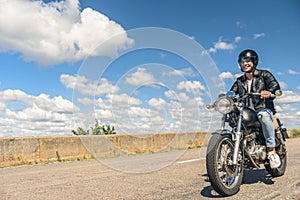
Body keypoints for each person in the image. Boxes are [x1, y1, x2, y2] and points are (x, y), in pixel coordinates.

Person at [230, 49, 281, 169]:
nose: (245, 63)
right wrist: (225, 97)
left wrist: (270, 92)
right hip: (247, 111)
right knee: (233, 118)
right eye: (242, 61)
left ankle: (272, 151)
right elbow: (232, 92)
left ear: (254, 62)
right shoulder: (239, 81)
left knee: (263, 116)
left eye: (248, 60)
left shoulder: (264, 74)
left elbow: (274, 85)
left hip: (263, 108)